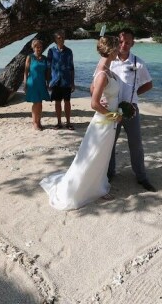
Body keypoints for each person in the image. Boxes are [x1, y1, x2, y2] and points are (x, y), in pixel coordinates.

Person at [40, 35, 122, 210]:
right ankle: (85, 189)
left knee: (102, 155)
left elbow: (93, 89)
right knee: (94, 154)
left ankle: (98, 185)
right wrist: (113, 115)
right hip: (104, 122)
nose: (119, 51)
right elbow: (93, 103)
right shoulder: (102, 74)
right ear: (112, 50)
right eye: (117, 47)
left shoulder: (107, 69)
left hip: (108, 120)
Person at [107, 28, 156, 192]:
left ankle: (141, 176)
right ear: (117, 41)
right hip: (112, 109)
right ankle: (109, 173)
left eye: (127, 42)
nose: (124, 44)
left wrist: (134, 95)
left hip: (131, 110)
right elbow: (97, 82)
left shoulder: (138, 63)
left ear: (133, 43)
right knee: (109, 143)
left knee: (136, 144)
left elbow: (149, 84)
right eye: (121, 41)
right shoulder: (109, 61)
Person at [47, 30, 76, 130]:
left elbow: (72, 67)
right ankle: (59, 122)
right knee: (57, 102)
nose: (61, 39)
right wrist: (48, 82)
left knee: (67, 102)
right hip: (55, 81)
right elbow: (48, 67)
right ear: (55, 39)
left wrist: (73, 82)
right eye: (59, 37)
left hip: (66, 81)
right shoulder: (51, 51)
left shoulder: (69, 51)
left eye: (63, 37)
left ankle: (68, 122)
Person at [23, 38, 51, 131]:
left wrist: (48, 82)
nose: (38, 48)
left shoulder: (44, 58)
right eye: (36, 47)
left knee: (40, 103)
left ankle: (39, 122)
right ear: (33, 47)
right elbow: (26, 72)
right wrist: (25, 83)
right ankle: (35, 123)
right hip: (32, 83)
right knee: (36, 103)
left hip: (41, 83)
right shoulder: (30, 57)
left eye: (40, 47)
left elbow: (47, 72)